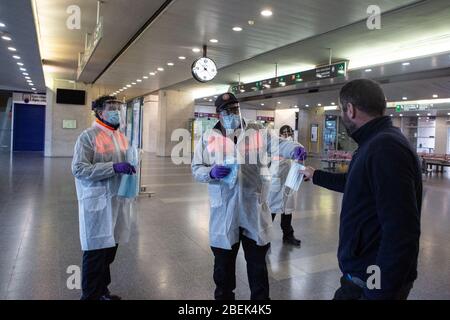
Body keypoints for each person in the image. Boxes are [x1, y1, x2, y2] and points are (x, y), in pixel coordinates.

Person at [300, 79, 422, 300]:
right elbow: (356, 184)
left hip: (370, 278)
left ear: (350, 109)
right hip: (361, 273)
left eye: (341, 109)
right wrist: (315, 174)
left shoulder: (385, 147)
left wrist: (377, 292)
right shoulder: (375, 143)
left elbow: (401, 230)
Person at [192, 92, 306, 300]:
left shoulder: (257, 131)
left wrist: (295, 149)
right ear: (218, 115)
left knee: (257, 265)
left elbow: (280, 144)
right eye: (227, 111)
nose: (232, 113)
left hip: (253, 206)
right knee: (223, 267)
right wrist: (210, 173)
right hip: (224, 210)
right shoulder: (208, 138)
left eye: (235, 108)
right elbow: (196, 168)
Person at [72, 95, 136, 300]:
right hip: (97, 203)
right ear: (100, 112)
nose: (117, 111)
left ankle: (102, 291)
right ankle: (89, 296)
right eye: (112, 107)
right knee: (95, 253)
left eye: (119, 107)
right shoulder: (88, 136)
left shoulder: (120, 136)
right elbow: (79, 169)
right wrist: (113, 167)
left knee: (109, 251)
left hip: (117, 201)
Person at [268, 125, 302, 246]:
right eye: (284, 132)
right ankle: (265, 237)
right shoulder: (275, 145)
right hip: (276, 181)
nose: (287, 134)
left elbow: (301, 163)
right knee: (271, 209)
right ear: (280, 134)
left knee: (287, 211)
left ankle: (288, 235)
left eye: (289, 132)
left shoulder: (297, 146)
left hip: (289, 183)